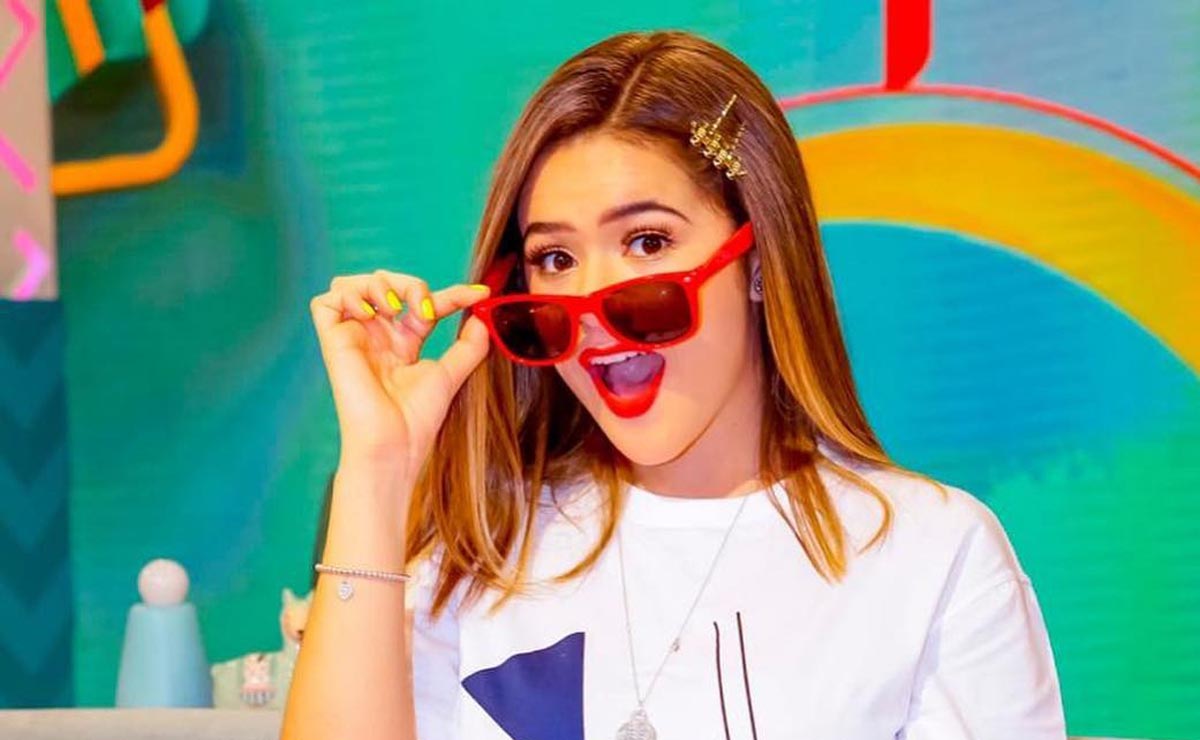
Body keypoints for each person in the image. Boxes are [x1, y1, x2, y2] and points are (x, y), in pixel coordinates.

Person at [282, 30, 1067, 740]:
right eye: (556, 258)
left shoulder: (930, 555)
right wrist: (378, 471)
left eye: (648, 241)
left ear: (758, 261)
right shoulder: (479, 550)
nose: (593, 308)